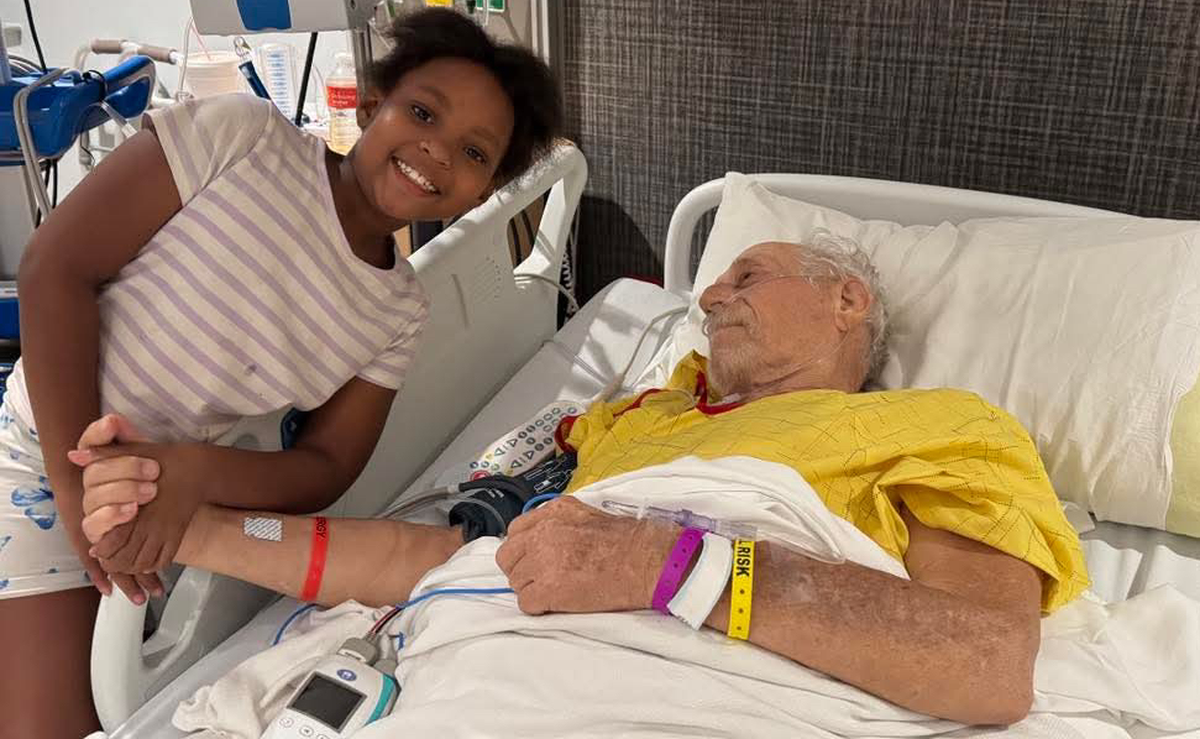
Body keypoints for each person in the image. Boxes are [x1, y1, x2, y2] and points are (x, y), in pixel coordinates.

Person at [76, 237, 1089, 727]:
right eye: (712, 287)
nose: (710, 297)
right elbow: (453, 565)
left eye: (746, 276)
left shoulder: (941, 426)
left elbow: (986, 663)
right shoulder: (636, 421)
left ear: (847, 300)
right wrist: (193, 530)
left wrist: (670, 565)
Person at [0, 7, 562, 738]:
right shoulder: (242, 137)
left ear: (482, 192)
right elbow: (54, 269)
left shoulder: (397, 311)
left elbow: (326, 466)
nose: (437, 150)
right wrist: (78, 489)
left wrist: (191, 474)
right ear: (371, 105)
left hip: (167, 494)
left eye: (475, 153)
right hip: (45, 455)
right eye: (422, 112)